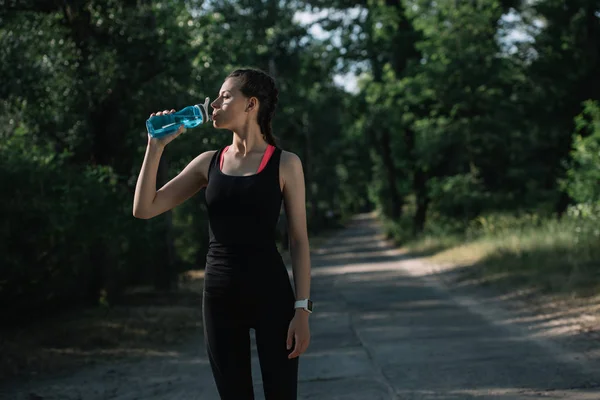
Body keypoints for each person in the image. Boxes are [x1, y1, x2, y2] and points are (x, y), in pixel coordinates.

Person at [133, 68, 312, 399]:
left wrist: (302, 309)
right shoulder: (207, 163)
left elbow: (298, 240)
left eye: (225, 96)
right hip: (219, 298)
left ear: (251, 105)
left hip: (272, 296)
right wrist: (154, 147)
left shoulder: (285, 163)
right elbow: (145, 208)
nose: (213, 103)